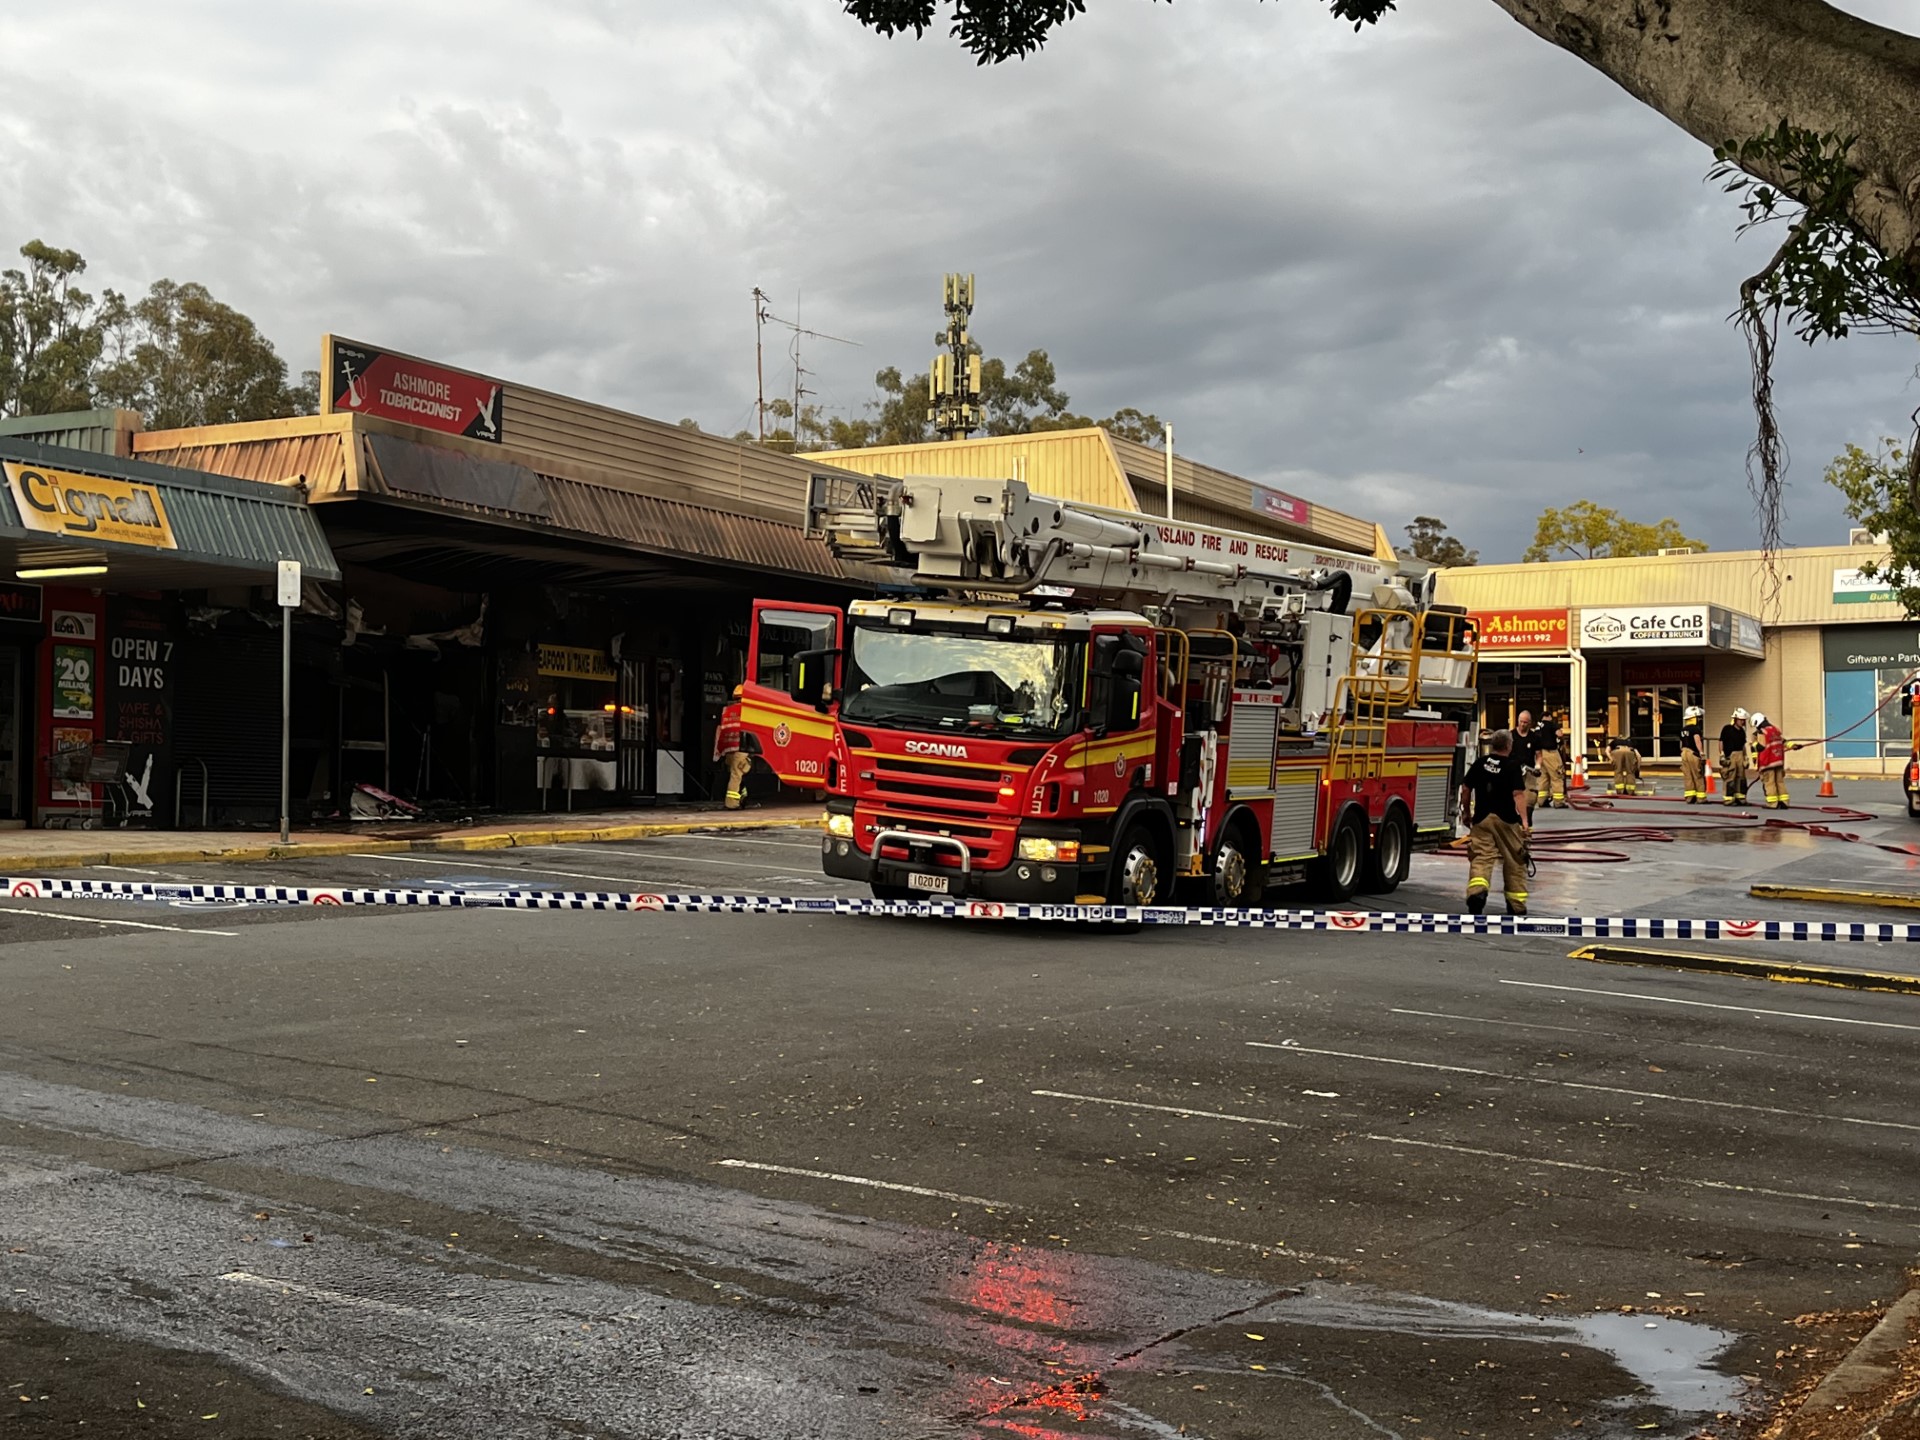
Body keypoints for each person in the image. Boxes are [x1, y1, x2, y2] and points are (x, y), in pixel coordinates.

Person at [1459, 729, 1532, 916]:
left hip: (1482, 819)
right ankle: (1516, 905)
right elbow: (1518, 794)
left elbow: (1465, 788)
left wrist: (1466, 813)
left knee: (1481, 858)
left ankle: (1477, 894)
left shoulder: (1480, 763)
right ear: (1508, 745)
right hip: (1506, 820)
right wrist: (1525, 822)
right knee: (1515, 860)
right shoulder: (1512, 766)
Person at [1754, 712, 1790, 809]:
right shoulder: (1775, 730)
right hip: (1778, 761)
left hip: (1768, 762)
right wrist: (1793, 745)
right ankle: (1784, 802)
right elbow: (1784, 741)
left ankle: (1772, 803)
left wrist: (1753, 745)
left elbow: (1761, 746)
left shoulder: (1762, 732)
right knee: (1780, 782)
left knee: (1770, 783)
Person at [1534, 712, 1568, 808]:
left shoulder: (1537, 727)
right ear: (1548, 717)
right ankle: (1558, 802)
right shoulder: (1551, 724)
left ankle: (1542, 800)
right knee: (1557, 776)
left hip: (1540, 755)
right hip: (1551, 753)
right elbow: (1559, 733)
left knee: (1543, 778)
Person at [1719, 708, 1750, 806]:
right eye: (1741, 720)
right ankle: (1729, 799)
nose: (1742, 722)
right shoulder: (1727, 729)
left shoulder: (1742, 731)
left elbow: (1743, 745)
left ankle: (1740, 798)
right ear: (1735, 719)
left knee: (1741, 777)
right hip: (1730, 756)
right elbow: (1721, 742)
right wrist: (1722, 754)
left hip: (1740, 754)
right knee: (1730, 777)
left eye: (1743, 720)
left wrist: (1745, 757)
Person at [1513, 709, 1542, 808]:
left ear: (1530, 723)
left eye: (1525, 722)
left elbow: (1539, 755)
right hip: (1514, 771)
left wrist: (1538, 767)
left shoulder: (1534, 737)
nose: (1522, 724)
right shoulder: (1511, 735)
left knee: (1530, 798)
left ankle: (1527, 814)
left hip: (1529, 771)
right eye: (1521, 721)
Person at [1678, 705, 1707, 803]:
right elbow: (1697, 741)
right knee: (1697, 775)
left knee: (1688, 775)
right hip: (1693, 754)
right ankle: (1701, 798)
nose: (1699, 719)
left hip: (1684, 753)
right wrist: (1701, 752)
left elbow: (1681, 743)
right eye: (1698, 717)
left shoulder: (1683, 729)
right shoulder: (1695, 729)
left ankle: (1690, 797)